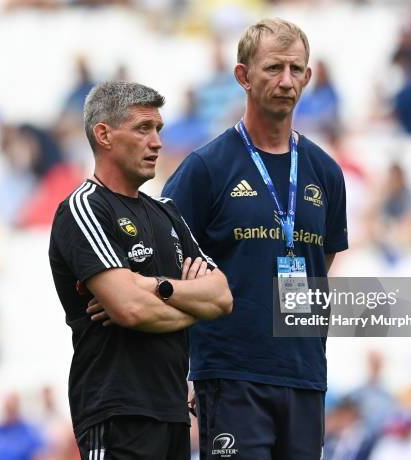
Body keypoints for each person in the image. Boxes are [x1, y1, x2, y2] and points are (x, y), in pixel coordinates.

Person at [162, 18, 349, 460]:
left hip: (304, 376)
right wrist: (186, 368)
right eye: (273, 69)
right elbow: (166, 267)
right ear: (243, 76)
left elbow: (322, 260)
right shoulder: (206, 168)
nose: (287, 81)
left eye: (296, 69)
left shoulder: (325, 171)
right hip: (230, 375)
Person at [48, 81, 233, 460]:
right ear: (104, 135)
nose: (157, 142)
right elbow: (129, 308)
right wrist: (187, 302)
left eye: (159, 130)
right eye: (143, 128)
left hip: (173, 413)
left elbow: (221, 298)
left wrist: (156, 288)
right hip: (117, 411)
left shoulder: (167, 211)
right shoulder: (84, 209)